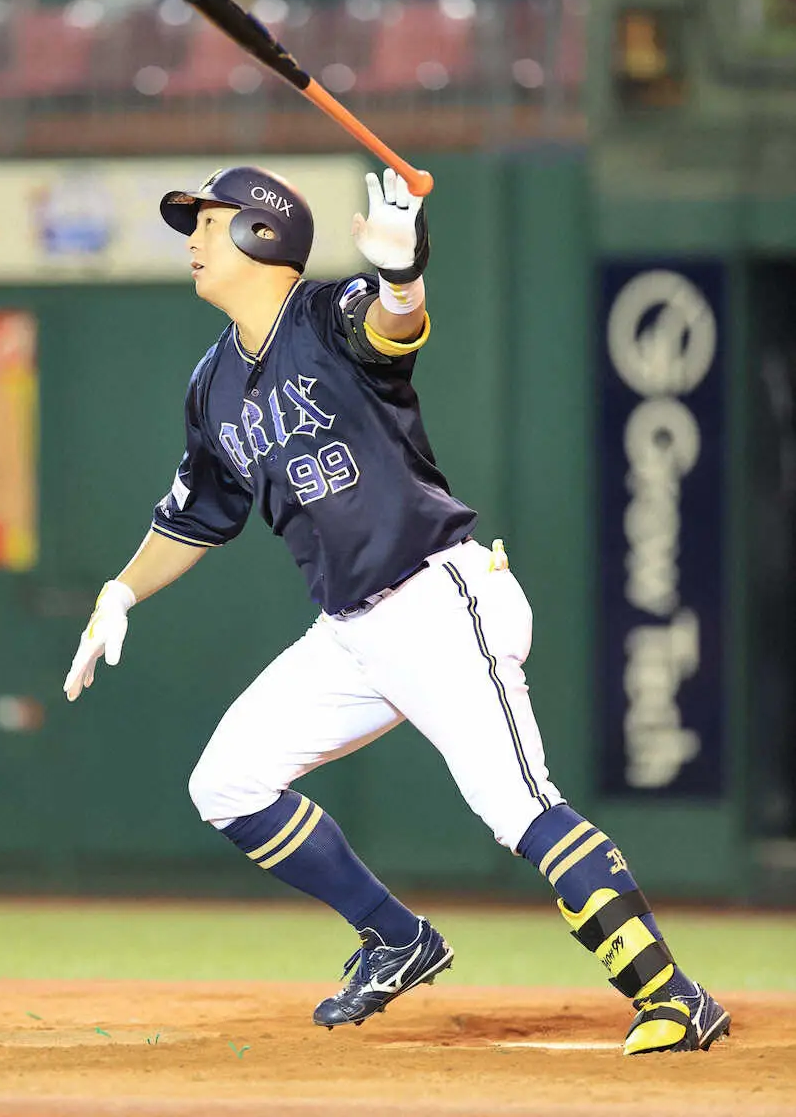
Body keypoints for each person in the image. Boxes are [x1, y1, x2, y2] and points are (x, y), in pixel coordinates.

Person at [63, 164, 730, 1055]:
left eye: (209, 222)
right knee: (225, 782)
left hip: (438, 595)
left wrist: (401, 274)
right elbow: (195, 517)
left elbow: (391, 330)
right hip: (351, 634)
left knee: (517, 806)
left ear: (265, 234)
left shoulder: (328, 316)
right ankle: (397, 937)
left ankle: (675, 997)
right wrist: (120, 589)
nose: (192, 238)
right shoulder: (212, 383)